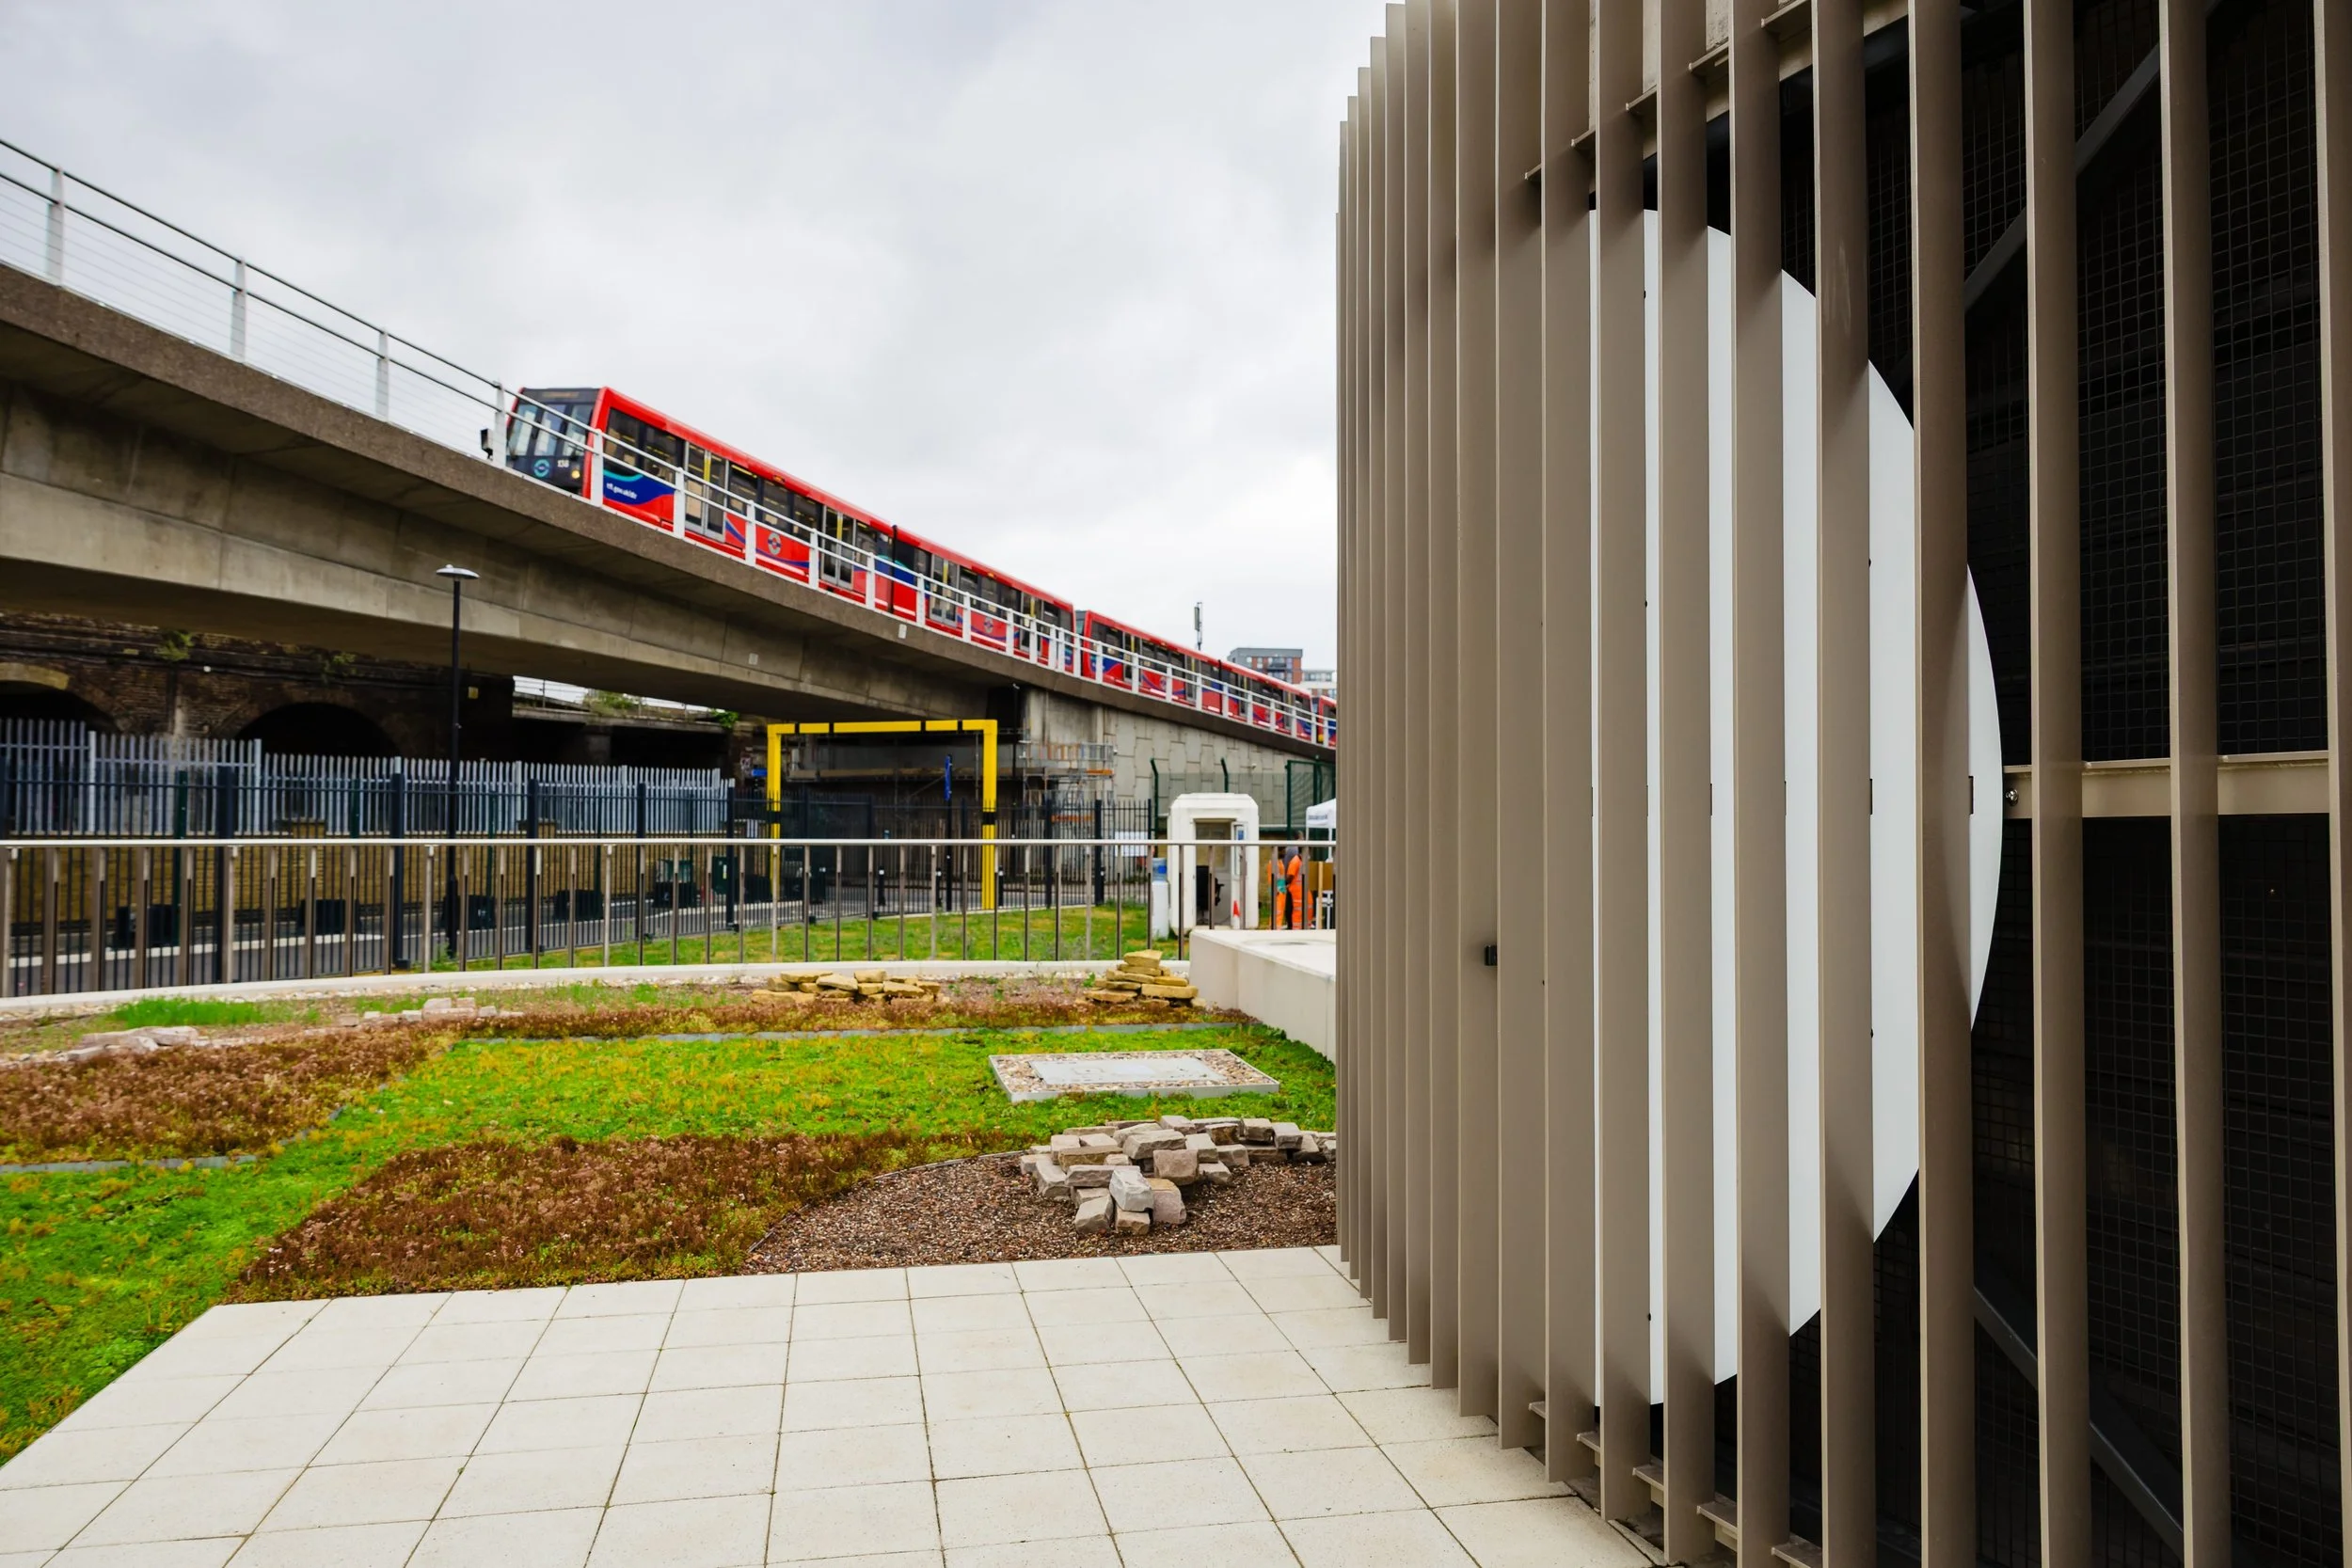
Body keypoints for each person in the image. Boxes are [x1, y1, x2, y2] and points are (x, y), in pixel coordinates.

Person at [1285, 844, 1307, 928]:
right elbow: (1290, 876)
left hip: (1298, 893)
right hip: (1293, 892)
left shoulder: (1301, 861)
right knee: (1290, 911)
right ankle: (1290, 926)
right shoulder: (1296, 861)